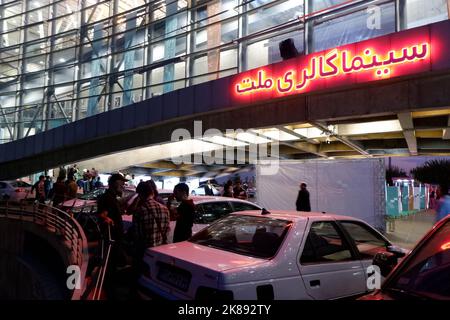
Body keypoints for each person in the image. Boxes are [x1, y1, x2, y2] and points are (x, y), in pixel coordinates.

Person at [96, 173, 130, 299]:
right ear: (114, 183)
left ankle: (109, 289)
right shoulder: (108, 198)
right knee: (110, 265)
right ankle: (109, 292)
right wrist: (108, 220)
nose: (123, 185)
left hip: (115, 238)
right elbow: (102, 215)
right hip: (112, 239)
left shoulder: (111, 197)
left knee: (113, 264)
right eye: (121, 182)